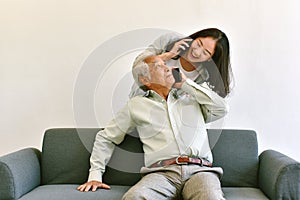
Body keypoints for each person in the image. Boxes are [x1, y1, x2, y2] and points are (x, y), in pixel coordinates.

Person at [77, 55, 228, 199]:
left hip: (200, 171)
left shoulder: (192, 98)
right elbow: (106, 137)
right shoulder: (135, 105)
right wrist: (95, 176)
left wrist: (186, 84)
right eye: (159, 66)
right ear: (145, 79)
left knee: (211, 197)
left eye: (166, 65)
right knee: (134, 197)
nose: (168, 68)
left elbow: (222, 108)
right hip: (162, 174)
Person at [129, 28, 233, 98]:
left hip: (164, 114)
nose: (196, 52)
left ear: (210, 58)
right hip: (139, 99)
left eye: (205, 52)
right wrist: (167, 56)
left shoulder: (203, 76)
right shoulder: (170, 40)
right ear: (195, 38)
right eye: (198, 43)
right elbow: (137, 67)